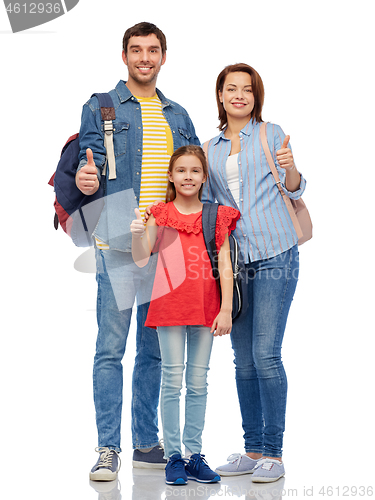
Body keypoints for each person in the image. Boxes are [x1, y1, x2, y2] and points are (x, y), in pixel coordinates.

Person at [75, 22, 200, 481]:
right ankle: (109, 448)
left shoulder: (179, 115)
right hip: (117, 241)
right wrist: (86, 180)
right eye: (136, 50)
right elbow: (91, 166)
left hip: (165, 246)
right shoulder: (101, 107)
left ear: (164, 57)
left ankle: (146, 443)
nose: (144, 57)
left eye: (153, 50)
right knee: (110, 348)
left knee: (153, 351)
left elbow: (191, 178)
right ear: (124, 56)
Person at [201, 63, 306, 483]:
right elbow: (210, 206)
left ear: (255, 96)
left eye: (247, 89)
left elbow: (295, 187)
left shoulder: (271, 134)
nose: (239, 95)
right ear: (221, 96)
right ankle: (252, 449)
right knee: (242, 360)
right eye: (232, 89)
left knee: (265, 355)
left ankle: (275, 455)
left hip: (277, 252)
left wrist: (291, 166)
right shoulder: (209, 148)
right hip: (236, 261)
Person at [130, 145, 240, 485]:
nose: (188, 176)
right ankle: (174, 456)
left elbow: (225, 263)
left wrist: (225, 309)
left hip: (207, 309)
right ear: (171, 176)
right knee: (172, 381)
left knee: (198, 382)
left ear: (204, 177)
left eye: (194, 170)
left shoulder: (215, 215)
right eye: (181, 171)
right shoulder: (159, 214)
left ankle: (193, 455)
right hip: (169, 308)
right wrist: (137, 233)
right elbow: (139, 258)